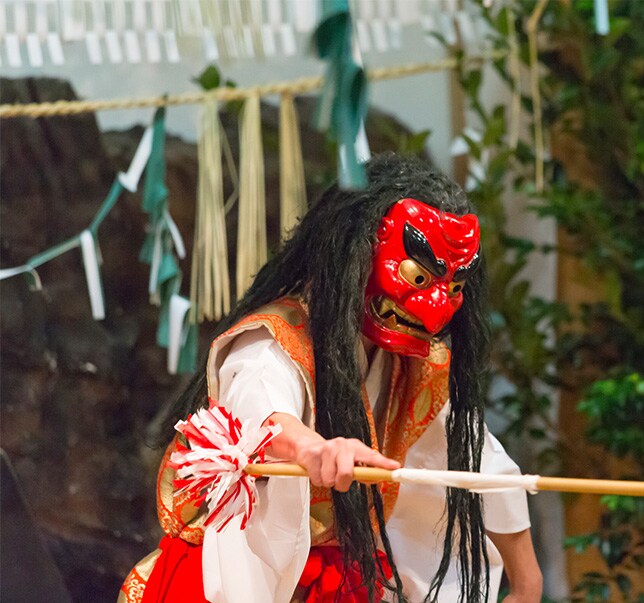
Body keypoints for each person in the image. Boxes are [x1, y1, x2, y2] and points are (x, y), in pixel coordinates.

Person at [120, 154, 543, 603]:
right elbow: (264, 417)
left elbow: (479, 463)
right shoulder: (275, 339)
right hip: (232, 581)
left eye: (453, 288)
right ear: (354, 249)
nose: (435, 310)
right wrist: (314, 449)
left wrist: (527, 582)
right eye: (417, 277)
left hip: (339, 584)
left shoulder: (415, 363)